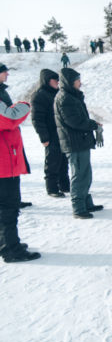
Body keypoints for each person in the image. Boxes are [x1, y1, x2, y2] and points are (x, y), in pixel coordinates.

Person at [0, 63, 41, 262]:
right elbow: (9, 118)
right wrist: (23, 105)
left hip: (5, 158)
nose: (7, 73)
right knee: (8, 206)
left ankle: (7, 243)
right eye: (3, 70)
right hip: (3, 162)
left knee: (6, 206)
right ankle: (11, 249)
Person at [54, 68, 104, 219]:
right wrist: (92, 125)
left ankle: (86, 202)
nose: (80, 83)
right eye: (77, 80)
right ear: (70, 81)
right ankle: (78, 207)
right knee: (79, 174)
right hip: (74, 142)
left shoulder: (71, 96)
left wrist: (91, 123)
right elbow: (74, 121)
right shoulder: (65, 98)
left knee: (85, 174)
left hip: (80, 141)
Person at [31, 69, 70, 198]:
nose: (58, 82)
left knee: (63, 160)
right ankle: (52, 188)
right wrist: (44, 137)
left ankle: (64, 185)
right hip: (50, 134)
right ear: (47, 81)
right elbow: (37, 118)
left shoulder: (57, 93)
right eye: (55, 80)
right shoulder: (39, 95)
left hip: (61, 132)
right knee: (52, 161)